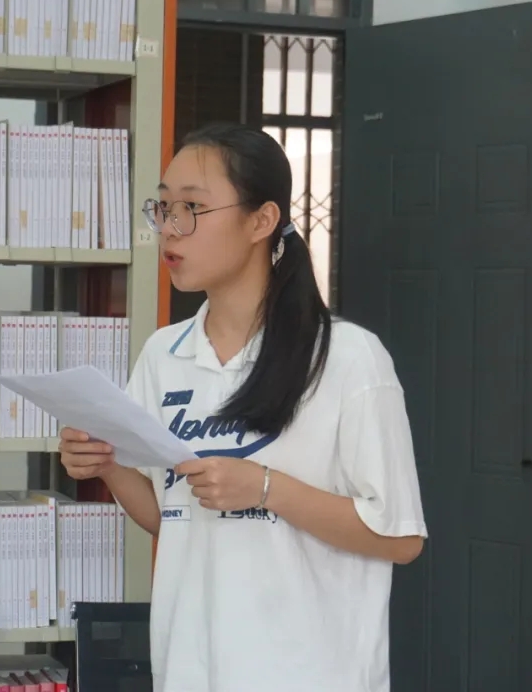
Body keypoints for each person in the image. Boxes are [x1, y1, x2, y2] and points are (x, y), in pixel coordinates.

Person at [57, 122, 427, 692]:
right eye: (164, 207)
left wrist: (266, 488)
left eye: (192, 208)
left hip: (311, 675)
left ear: (261, 220)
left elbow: (400, 539)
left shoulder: (348, 358)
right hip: (189, 669)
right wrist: (106, 464)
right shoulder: (164, 355)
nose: (170, 228)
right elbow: (171, 516)